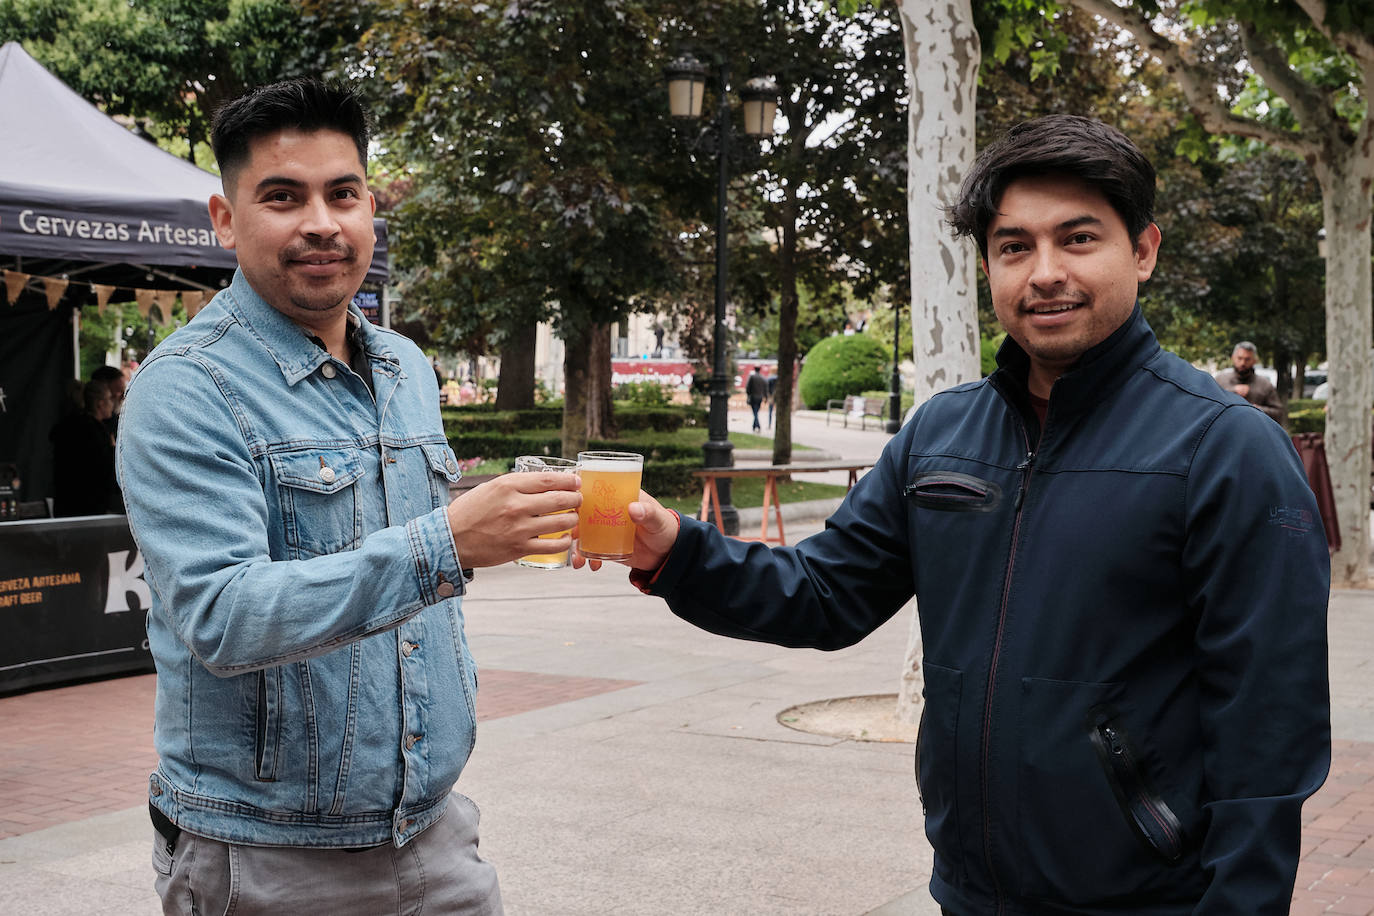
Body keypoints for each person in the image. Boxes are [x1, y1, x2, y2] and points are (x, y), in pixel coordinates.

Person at [578, 115, 1330, 914]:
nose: (1044, 273)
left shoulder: (1227, 447)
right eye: (1014, 247)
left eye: (1078, 240)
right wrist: (676, 552)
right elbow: (825, 593)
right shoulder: (942, 432)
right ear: (987, 265)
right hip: (970, 891)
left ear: (1142, 251)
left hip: (1149, 898)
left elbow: (1268, 725)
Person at [117, 79, 581, 915]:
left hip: (435, 836)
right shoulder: (185, 389)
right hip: (264, 856)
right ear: (226, 220)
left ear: (371, 207)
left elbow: (400, 559)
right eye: (283, 197)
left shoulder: (406, 367)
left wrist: (507, 515)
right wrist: (446, 541)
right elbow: (222, 614)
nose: (321, 223)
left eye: (344, 193)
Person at [49, 378, 119, 517]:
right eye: (110, 399)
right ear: (100, 404)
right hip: (90, 506)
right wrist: (112, 448)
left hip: (65, 502)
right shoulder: (97, 433)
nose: (112, 404)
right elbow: (106, 469)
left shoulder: (68, 426)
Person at [1214, 340, 1287, 426]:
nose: (1243, 363)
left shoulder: (1265, 384)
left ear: (1254, 361)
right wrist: (1231, 391)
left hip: (1255, 433)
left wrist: (1257, 410)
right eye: (1239, 358)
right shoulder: (1220, 380)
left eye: (1247, 359)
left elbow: (1279, 414)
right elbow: (1208, 406)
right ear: (1233, 358)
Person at [745, 365, 768, 432]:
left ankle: (757, 425)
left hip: (753, 397)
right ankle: (754, 425)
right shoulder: (763, 378)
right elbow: (765, 389)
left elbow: (748, 387)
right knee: (756, 411)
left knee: (755, 412)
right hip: (760, 397)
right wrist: (765, 397)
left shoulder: (752, 377)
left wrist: (748, 394)